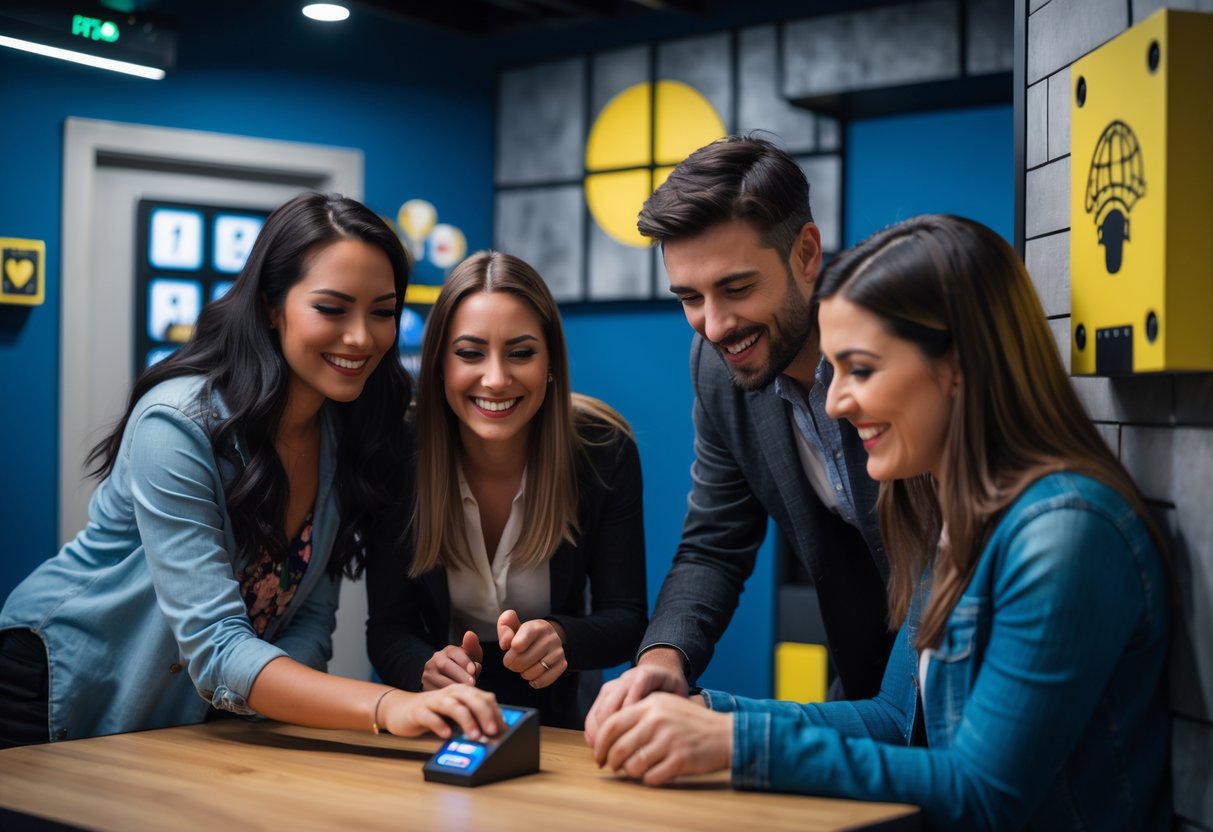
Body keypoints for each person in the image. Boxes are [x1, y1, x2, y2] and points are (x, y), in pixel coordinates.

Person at [589, 215, 1171, 830]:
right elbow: (896, 720)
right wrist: (701, 710)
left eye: (860, 370)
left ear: (960, 365)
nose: (834, 402)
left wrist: (736, 748)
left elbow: (985, 794)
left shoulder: (1065, 535)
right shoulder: (958, 518)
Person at [0, 192, 500, 747]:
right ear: (270, 305)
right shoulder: (177, 423)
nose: (362, 337)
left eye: (382, 312)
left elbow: (307, 618)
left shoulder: (352, 429)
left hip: (191, 711)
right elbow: (216, 643)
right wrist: (387, 706)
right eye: (331, 309)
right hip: (56, 686)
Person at [585, 135, 892, 738]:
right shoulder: (714, 368)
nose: (715, 325)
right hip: (870, 680)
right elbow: (714, 544)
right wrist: (663, 660)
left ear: (806, 254)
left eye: (736, 288)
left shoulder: (893, 348)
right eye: (690, 298)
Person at [366, 251, 647, 729]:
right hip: (429, 720)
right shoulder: (396, 451)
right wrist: (423, 666)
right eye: (470, 353)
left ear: (551, 363)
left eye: (521, 353)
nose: (495, 379)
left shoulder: (602, 449)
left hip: (560, 722)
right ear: (438, 365)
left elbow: (625, 617)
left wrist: (563, 636)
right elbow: (389, 628)